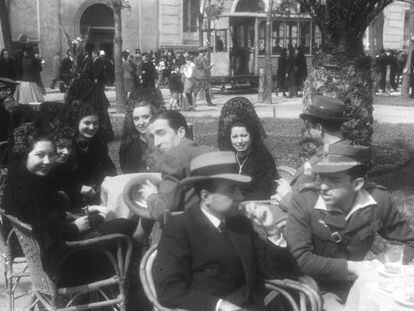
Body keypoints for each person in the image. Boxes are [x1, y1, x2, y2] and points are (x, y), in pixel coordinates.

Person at [153, 151, 306, 311]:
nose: (240, 196)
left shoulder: (240, 223)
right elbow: (168, 289)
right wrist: (219, 305)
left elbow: (277, 272)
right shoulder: (180, 228)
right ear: (206, 197)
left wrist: (272, 230)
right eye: (231, 190)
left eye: (239, 189)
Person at [3, 122, 136, 286]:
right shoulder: (28, 192)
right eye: (40, 155)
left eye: (51, 155)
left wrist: (68, 217)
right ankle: (130, 293)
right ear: (25, 155)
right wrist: (75, 227)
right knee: (128, 228)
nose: (48, 161)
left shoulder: (20, 179)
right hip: (63, 265)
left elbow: (45, 223)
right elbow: (47, 236)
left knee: (113, 223)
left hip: (48, 255)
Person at [285, 142, 414, 307]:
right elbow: (301, 259)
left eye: (333, 180)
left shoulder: (378, 199)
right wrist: (354, 267)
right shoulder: (304, 200)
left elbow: (408, 241)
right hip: (319, 287)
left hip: (364, 282)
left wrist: (379, 264)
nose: (323, 186)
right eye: (320, 177)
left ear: (357, 183)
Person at [138, 111, 205, 242]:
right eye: (153, 136)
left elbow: (163, 212)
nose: (156, 143)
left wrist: (150, 195)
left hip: (182, 236)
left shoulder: (173, 156)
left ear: (180, 132)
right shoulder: (199, 150)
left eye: (161, 133)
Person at [275, 96, 348, 203]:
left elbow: (322, 206)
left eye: (308, 127)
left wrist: (286, 197)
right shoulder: (329, 151)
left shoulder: (335, 160)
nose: (306, 132)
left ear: (319, 128)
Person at [64, 102, 117, 208]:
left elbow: (109, 168)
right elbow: (59, 178)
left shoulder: (97, 143)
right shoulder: (67, 145)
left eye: (95, 123)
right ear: (77, 122)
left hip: (94, 194)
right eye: (87, 123)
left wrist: (104, 180)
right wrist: (79, 188)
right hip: (69, 198)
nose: (92, 127)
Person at [225, 117, 279, 200]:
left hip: (257, 203)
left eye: (244, 136)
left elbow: (266, 191)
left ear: (252, 136)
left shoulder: (262, 159)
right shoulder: (228, 159)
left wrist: (240, 201)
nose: (239, 141)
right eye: (235, 137)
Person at [119, 99, 159, 174]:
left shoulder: (165, 144)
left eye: (145, 117)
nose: (141, 123)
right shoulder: (127, 149)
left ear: (155, 117)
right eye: (136, 119)